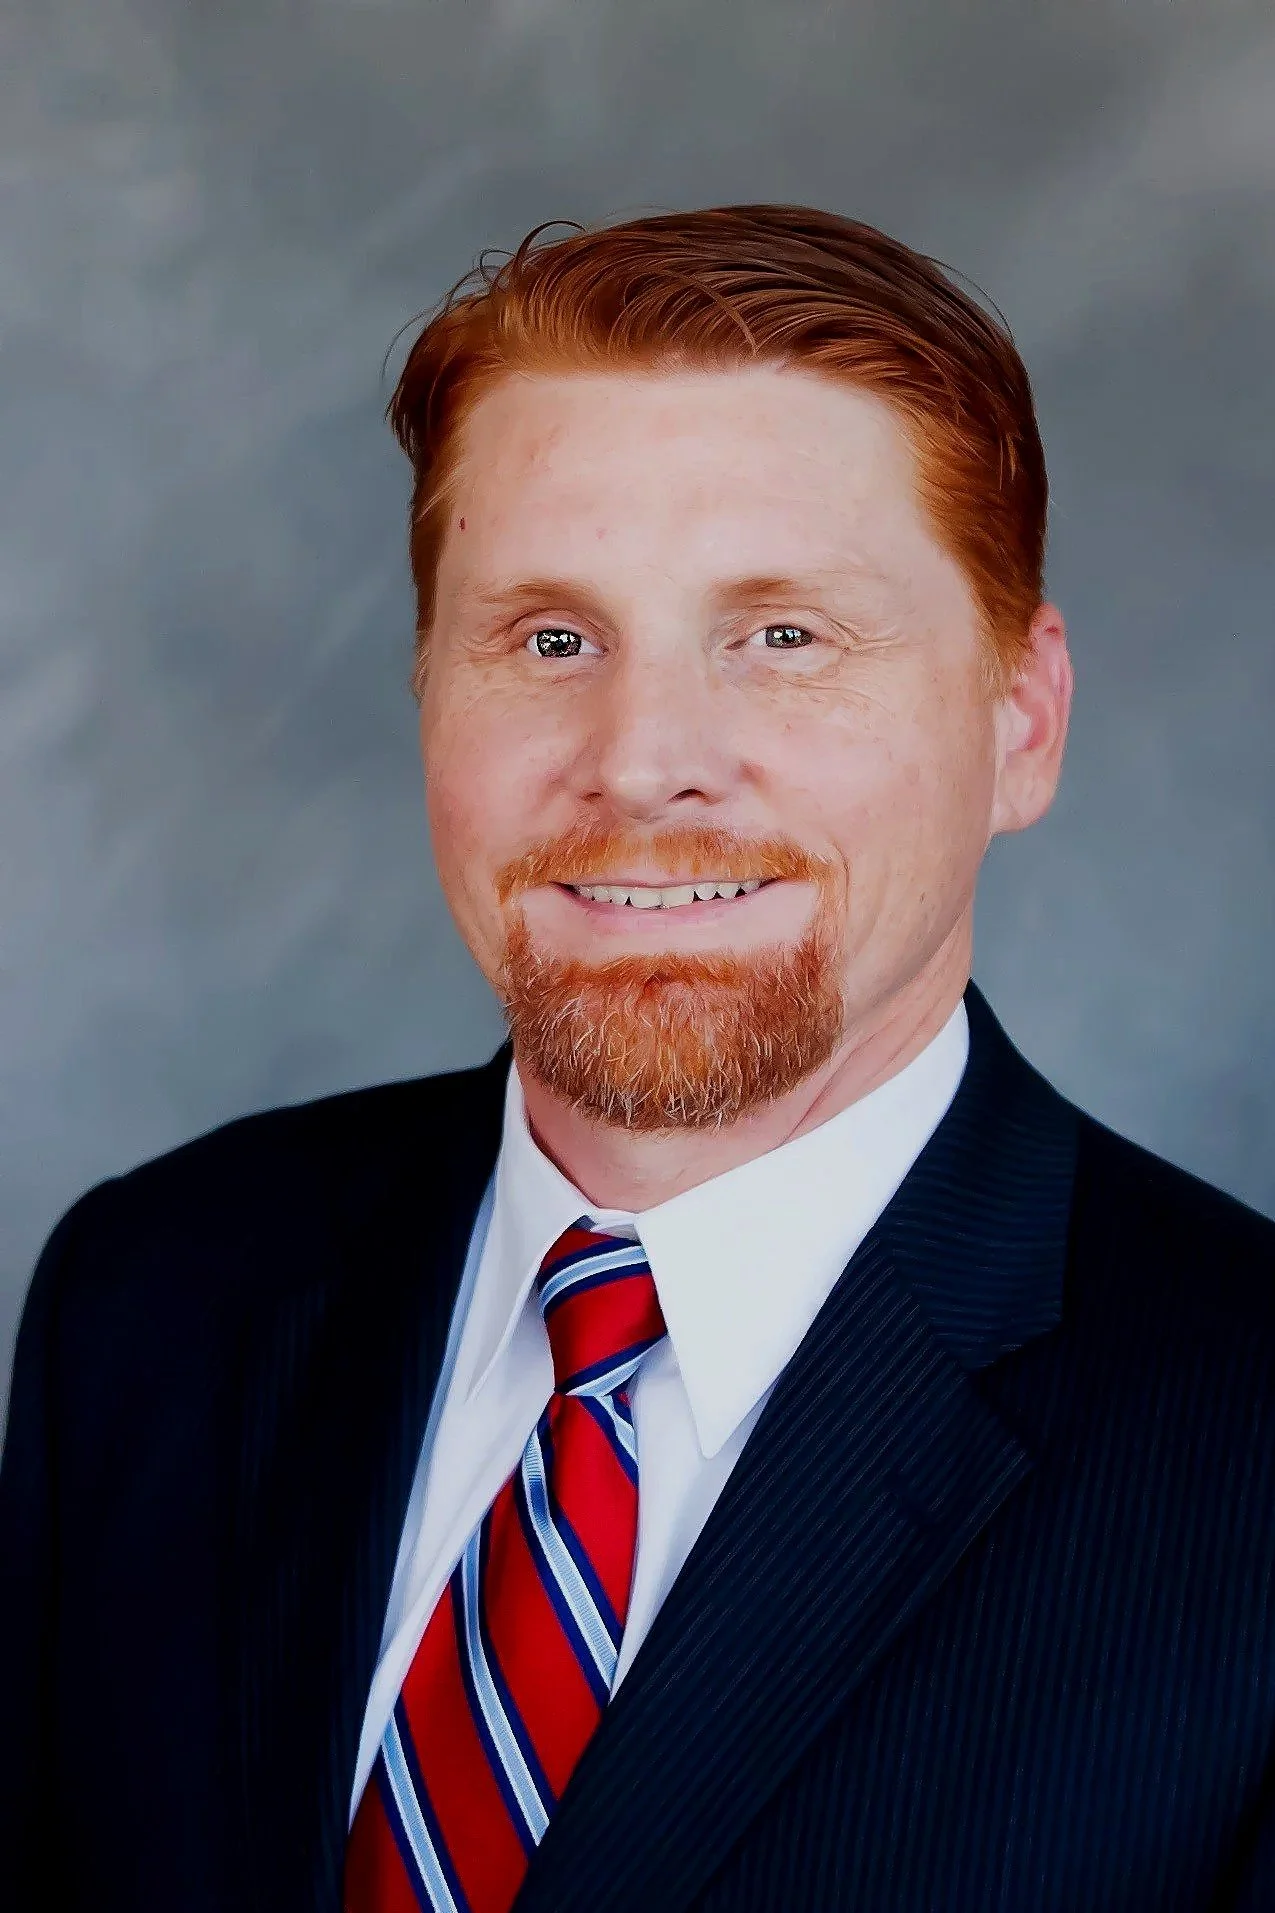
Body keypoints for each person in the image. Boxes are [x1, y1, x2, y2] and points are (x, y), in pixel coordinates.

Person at [2, 204, 1273, 1913]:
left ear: (1018, 722)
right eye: (548, 640)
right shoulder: (157, 1299)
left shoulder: (1245, 1447)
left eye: (782, 636)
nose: (643, 761)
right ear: (426, 684)